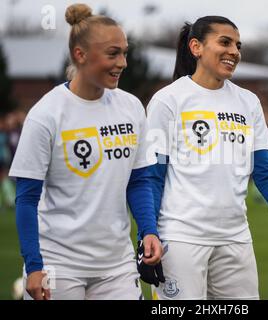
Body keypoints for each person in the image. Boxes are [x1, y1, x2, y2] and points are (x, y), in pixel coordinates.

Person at [146, 16, 268, 300]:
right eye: (224, 42)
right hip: (181, 239)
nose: (234, 51)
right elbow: (152, 176)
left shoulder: (249, 102)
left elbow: (265, 172)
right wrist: (146, 236)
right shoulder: (168, 100)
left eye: (238, 45)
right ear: (196, 47)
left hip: (236, 239)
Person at [9, 3, 162, 300]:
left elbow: (140, 180)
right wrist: (34, 265)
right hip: (59, 265)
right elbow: (27, 198)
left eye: (125, 52)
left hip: (117, 266)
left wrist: (149, 231)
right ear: (80, 55)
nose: (123, 62)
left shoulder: (131, 107)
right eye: (113, 53)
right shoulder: (47, 114)